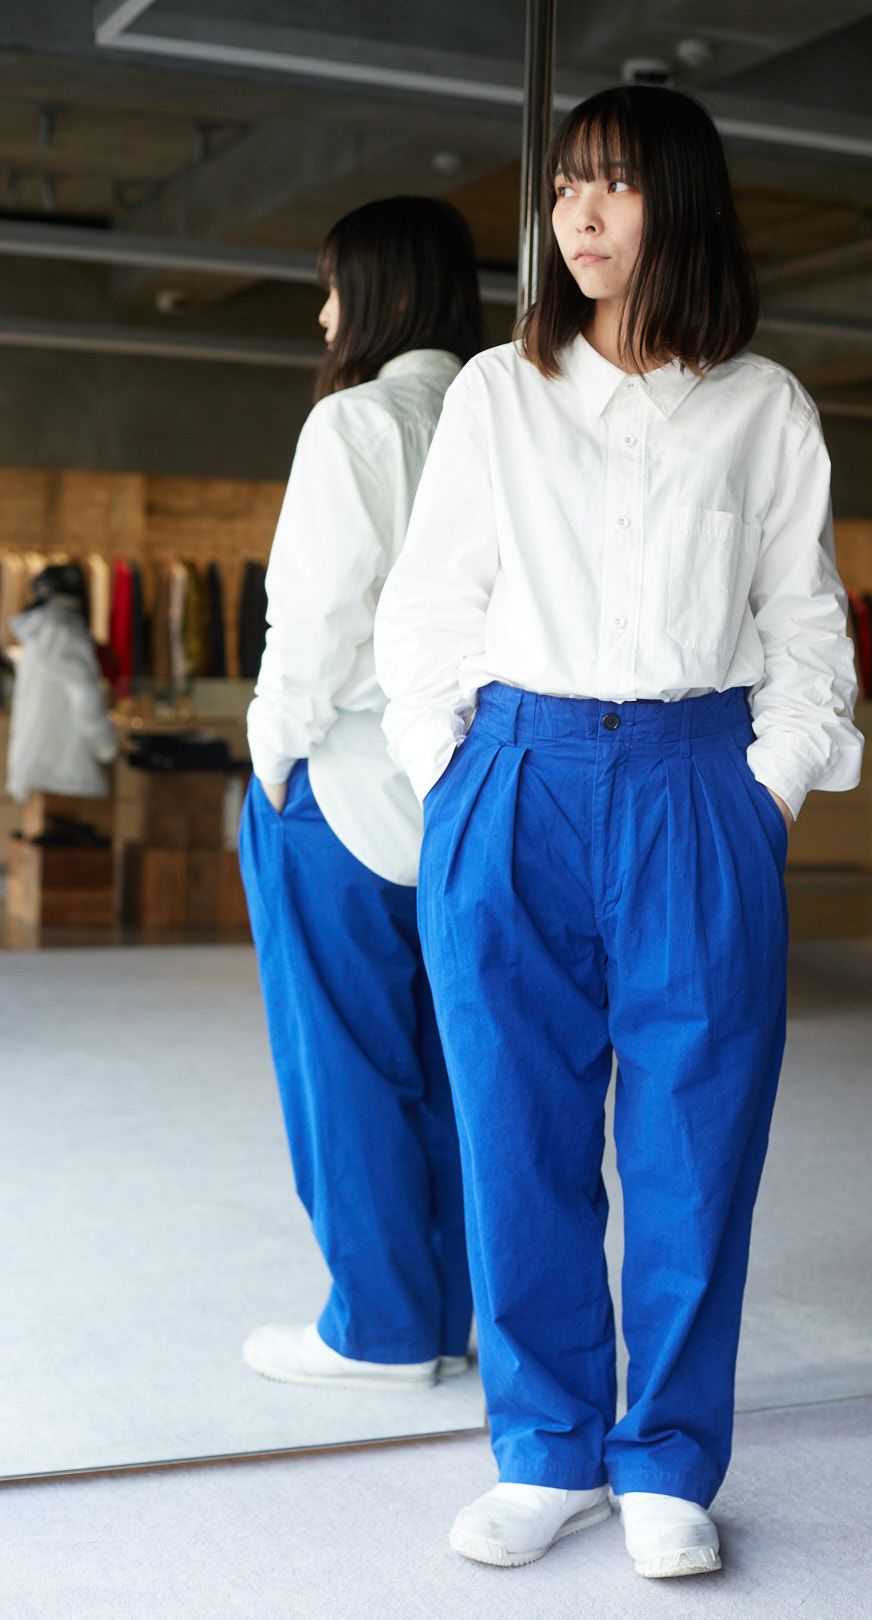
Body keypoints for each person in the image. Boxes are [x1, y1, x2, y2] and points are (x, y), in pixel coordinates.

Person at [374, 87, 863, 1573]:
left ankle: (666, 1461)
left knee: (695, 1140)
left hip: (695, 782)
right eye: (564, 188)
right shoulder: (498, 394)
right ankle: (545, 1450)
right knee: (513, 1129)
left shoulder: (764, 408)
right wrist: (452, 780)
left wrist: (767, 792)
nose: (578, 216)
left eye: (616, 186)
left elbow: (807, 628)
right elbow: (428, 608)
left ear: (682, 205)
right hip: (512, 775)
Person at [238, 197, 485, 1390]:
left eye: (335, 287)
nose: (326, 314)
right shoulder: (500, 414)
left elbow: (318, 618)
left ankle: (378, 1331)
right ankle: (447, 1319)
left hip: (339, 784)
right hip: (464, 792)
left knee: (340, 1062)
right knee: (454, 1070)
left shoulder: (358, 422)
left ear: (381, 292)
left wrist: (268, 752)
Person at [6, 564, 117, 803]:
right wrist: (104, 743)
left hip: (40, 761)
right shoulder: (63, 633)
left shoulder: (39, 632)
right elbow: (85, 694)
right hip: (65, 767)